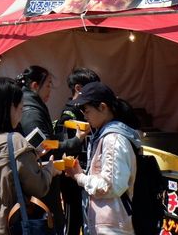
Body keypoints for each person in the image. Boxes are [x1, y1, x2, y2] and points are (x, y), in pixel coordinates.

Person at [0, 77, 57, 235]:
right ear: (10, 108)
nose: (21, 114)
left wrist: (29, 156)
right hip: (5, 225)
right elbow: (39, 187)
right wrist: (49, 170)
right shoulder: (15, 142)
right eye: (21, 108)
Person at [18, 65, 88, 234]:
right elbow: (45, 146)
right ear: (35, 86)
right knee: (48, 223)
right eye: (48, 85)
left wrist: (66, 140)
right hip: (40, 179)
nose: (50, 90)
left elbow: (47, 142)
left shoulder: (31, 105)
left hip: (42, 177)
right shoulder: (31, 112)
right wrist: (73, 141)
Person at [65, 82, 140, 235]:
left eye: (87, 111)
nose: (85, 117)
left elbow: (111, 185)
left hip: (113, 226)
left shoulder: (113, 139)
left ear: (103, 107)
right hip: (107, 224)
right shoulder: (104, 136)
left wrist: (80, 177)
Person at [55, 67, 100, 235]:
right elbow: (64, 147)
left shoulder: (83, 110)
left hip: (86, 176)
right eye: (92, 88)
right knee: (73, 222)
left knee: (84, 220)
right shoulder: (69, 114)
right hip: (72, 178)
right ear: (78, 89)